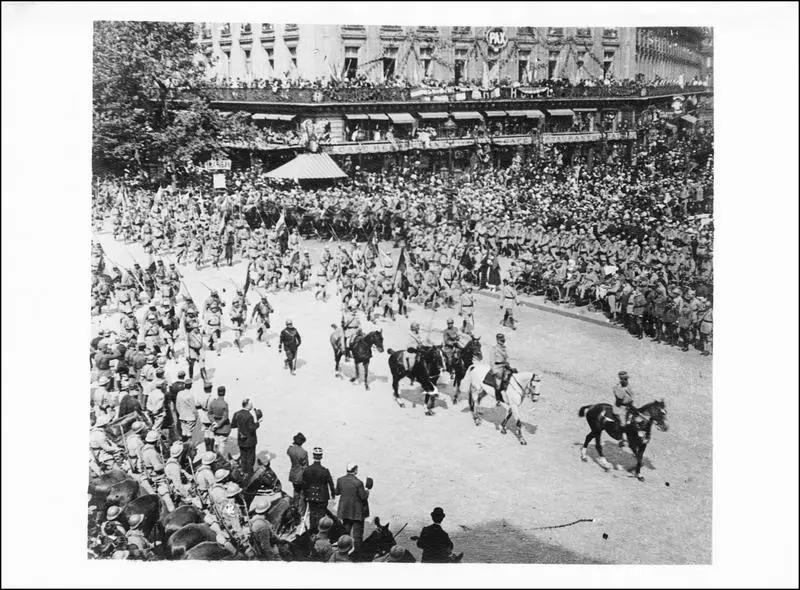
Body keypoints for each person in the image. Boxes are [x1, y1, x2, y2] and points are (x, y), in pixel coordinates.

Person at [335, 463, 370, 553]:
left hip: (345, 510)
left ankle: (343, 550)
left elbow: (337, 492)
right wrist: (367, 490)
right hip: (357, 512)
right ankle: (357, 553)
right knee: (357, 535)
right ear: (355, 470)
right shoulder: (358, 483)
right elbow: (363, 497)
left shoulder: (340, 480)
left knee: (345, 531)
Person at [302, 447, 336, 533]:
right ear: (321, 456)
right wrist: (333, 494)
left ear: (313, 456)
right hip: (322, 497)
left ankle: (312, 532)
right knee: (321, 515)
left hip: (311, 496)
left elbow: (304, 484)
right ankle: (320, 532)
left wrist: (306, 495)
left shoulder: (307, 469)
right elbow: (330, 483)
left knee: (312, 515)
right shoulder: (325, 471)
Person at [231, 399, 262, 479]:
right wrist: (258, 423)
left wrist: (241, 426)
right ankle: (250, 474)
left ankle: (243, 472)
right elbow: (252, 428)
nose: (252, 406)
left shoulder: (237, 413)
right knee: (250, 458)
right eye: (250, 404)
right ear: (247, 405)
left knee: (243, 456)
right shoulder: (249, 416)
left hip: (241, 440)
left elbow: (233, 425)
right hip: (250, 440)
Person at [287, 432, 309, 514]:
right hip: (301, 475)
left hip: (293, 472)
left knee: (296, 492)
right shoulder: (303, 452)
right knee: (303, 494)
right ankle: (301, 511)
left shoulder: (290, 449)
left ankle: (294, 508)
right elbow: (306, 465)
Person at [207, 386, 231, 455]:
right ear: (224, 393)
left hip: (215, 427)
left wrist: (214, 422)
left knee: (216, 442)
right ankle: (219, 459)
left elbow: (209, 413)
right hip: (224, 428)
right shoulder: (225, 404)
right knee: (222, 445)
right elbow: (225, 417)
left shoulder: (213, 402)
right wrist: (219, 424)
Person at [490, 333, 512, 404]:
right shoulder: (494, 348)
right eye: (500, 340)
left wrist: (508, 364)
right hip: (498, 367)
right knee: (498, 384)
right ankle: (498, 399)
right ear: (497, 340)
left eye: (503, 340)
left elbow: (507, 357)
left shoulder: (504, 348)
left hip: (505, 366)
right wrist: (494, 370)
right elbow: (492, 360)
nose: (502, 341)